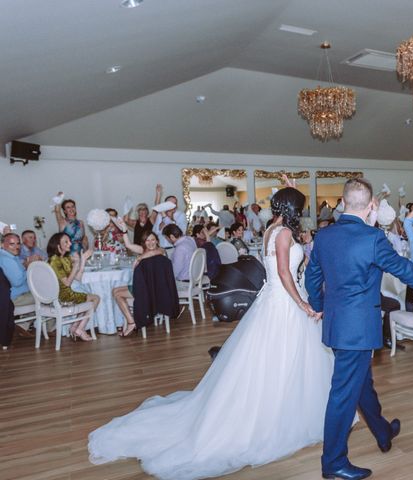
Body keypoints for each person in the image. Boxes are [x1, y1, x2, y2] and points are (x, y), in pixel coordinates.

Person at [88, 181, 337, 479]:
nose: (303, 210)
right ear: (293, 209)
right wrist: (303, 304)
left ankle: (288, 408)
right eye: (300, 205)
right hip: (284, 302)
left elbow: (288, 267)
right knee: (284, 358)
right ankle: (281, 416)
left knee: (275, 360)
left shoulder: (273, 228)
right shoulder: (283, 233)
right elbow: (284, 273)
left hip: (273, 301)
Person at [305, 177, 413, 480]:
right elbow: (400, 267)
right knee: (342, 395)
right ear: (371, 204)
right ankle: (333, 462)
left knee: (361, 383)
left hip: (337, 325)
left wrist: (319, 304)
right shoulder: (373, 238)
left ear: (343, 201)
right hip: (358, 328)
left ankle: (382, 430)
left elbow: (313, 278)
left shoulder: (324, 237)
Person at [47, 233, 100, 341]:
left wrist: (82, 261)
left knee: (87, 298)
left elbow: (78, 278)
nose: (70, 243)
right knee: (95, 298)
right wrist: (76, 265)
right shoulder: (54, 260)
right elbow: (67, 283)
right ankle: (80, 328)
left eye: (69, 241)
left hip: (68, 291)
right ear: (58, 246)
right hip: (63, 295)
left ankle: (75, 327)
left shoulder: (65, 258)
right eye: (66, 242)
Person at [0, 233, 35, 338]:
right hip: (15, 297)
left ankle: (23, 325)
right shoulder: (7, 259)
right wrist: (28, 267)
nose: (16, 247)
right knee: (48, 296)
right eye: (12, 244)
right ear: (2, 245)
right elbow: (17, 281)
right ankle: (47, 328)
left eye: (18, 243)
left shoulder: (10, 256)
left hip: (16, 295)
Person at [152, 184, 188, 249]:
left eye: (174, 203)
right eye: (170, 203)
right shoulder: (160, 215)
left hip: (174, 248)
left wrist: (167, 219)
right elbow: (154, 232)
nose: (172, 205)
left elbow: (181, 233)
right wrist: (159, 228)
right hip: (161, 248)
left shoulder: (181, 215)